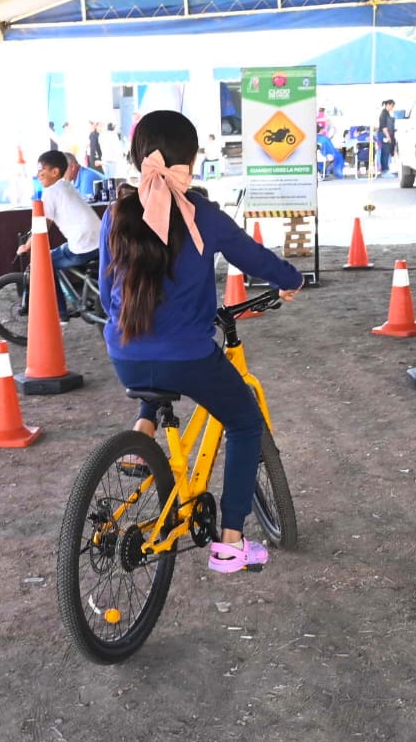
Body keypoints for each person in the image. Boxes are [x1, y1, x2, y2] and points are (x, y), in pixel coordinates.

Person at [99, 110, 304, 574]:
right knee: (245, 421)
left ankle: (144, 426)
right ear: (190, 160)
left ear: (138, 158)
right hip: (187, 357)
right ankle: (231, 541)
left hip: (125, 355)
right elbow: (252, 256)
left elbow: (103, 291)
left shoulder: (115, 214)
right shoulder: (203, 215)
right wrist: (291, 279)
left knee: (157, 370)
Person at [24, 150, 101, 311]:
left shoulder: (50, 192)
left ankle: (60, 312)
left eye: (41, 171)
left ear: (55, 172)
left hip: (83, 244)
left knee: (45, 262)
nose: (38, 175)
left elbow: (42, 225)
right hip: (100, 240)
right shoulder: (66, 185)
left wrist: (27, 245)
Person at [377, 100, 397, 176]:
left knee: (387, 152)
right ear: (388, 105)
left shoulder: (387, 113)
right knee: (385, 152)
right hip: (384, 134)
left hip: (387, 134)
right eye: (392, 106)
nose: (392, 108)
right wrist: (388, 136)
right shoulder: (383, 114)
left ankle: (386, 169)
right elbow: (384, 127)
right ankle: (385, 170)